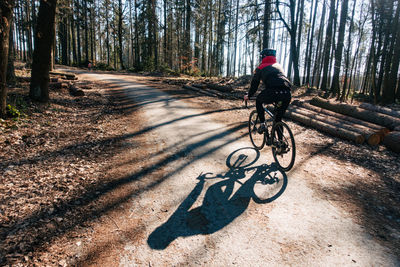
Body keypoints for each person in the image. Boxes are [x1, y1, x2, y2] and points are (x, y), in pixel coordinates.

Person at [244, 48, 292, 133]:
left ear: (263, 56)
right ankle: (281, 143)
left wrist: (249, 95)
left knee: (259, 100)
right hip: (287, 93)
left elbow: (255, 84)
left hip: (273, 92)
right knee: (278, 119)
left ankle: (262, 124)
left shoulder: (261, 67)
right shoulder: (279, 65)